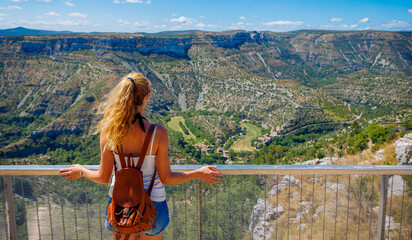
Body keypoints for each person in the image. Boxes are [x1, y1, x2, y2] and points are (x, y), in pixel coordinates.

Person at [59, 72, 222, 240]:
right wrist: (199, 173)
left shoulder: (109, 132)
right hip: (154, 208)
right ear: (147, 97)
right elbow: (166, 178)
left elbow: (103, 177)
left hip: (120, 208)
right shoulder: (158, 133)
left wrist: (81, 171)